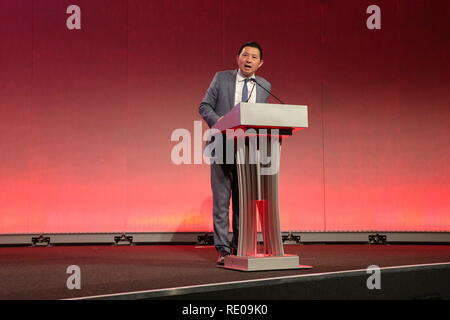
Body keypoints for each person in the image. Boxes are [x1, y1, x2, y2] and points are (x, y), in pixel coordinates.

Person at [199, 42, 272, 266]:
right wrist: (219, 122)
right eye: (245, 54)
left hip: (248, 151)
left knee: (243, 205)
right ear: (238, 57)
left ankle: (240, 246)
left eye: (254, 57)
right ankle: (222, 249)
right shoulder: (221, 78)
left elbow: (261, 118)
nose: (248, 59)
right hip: (221, 146)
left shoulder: (265, 86)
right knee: (221, 203)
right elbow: (204, 106)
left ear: (260, 63)